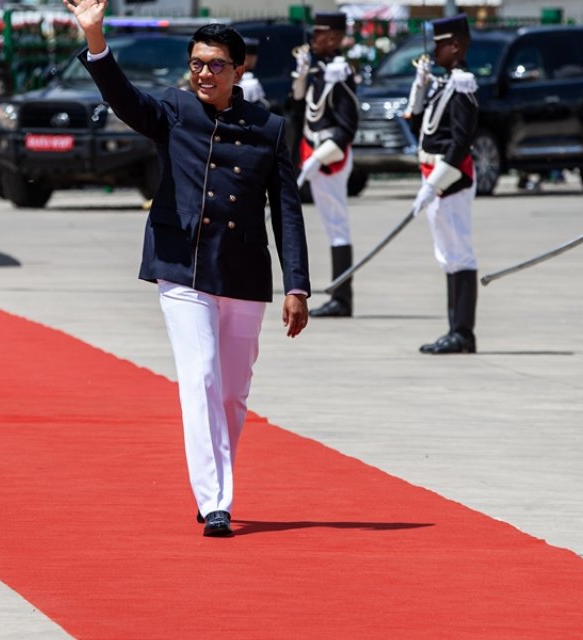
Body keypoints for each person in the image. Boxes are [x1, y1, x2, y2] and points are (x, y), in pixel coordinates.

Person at [64, 0, 311, 537]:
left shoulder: (268, 128)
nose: (204, 73)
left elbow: (285, 210)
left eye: (216, 64)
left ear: (238, 70)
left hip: (244, 272)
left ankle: (216, 479)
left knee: (231, 392)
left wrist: (297, 285)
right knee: (199, 378)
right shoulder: (173, 110)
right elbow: (123, 99)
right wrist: (96, 37)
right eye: (197, 63)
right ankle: (216, 499)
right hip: (182, 265)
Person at [406, 14, 481, 354]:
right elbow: (426, 127)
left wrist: (433, 184)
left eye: (440, 45)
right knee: (447, 255)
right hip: (436, 177)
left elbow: (460, 140)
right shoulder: (444, 83)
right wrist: (420, 87)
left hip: (451, 178)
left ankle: (463, 332)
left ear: (456, 45)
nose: (435, 51)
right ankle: (454, 328)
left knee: (459, 253)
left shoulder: (463, 83)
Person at [292, 12, 360, 318]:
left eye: (318, 35)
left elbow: (346, 128)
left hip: (329, 157)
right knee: (333, 226)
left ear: (333, 38)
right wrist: (302, 74)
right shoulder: (320, 71)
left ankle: (341, 297)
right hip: (314, 154)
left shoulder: (339, 73)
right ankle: (338, 294)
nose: (312, 40)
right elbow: (298, 106)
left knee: (337, 227)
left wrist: (316, 159)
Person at [237, 37, 268, 110]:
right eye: (249, 52)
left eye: (253, 53)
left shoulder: (253, 77)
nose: (252, 57)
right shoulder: (248, 82)